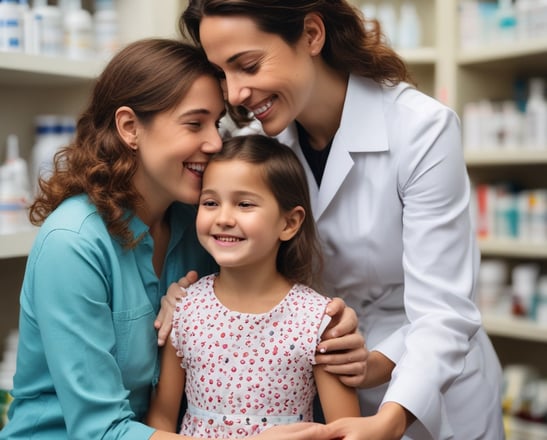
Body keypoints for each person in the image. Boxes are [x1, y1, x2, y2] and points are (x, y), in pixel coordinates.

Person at [0, 37, 363, 440]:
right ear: (129, 127)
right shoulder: (72, 244)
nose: (214, 143)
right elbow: (98, 431)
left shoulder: (200, 225)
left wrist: (328, 327)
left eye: (218, 124)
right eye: (195, 123)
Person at [179, 1, 506, 439]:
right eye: (223, 73)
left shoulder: (420, 129)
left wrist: (386, 411)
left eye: (249, 65)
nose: (235, 93)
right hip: (325, 387)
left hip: (433, 392)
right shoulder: (256, 147)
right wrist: (179, 302)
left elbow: (444, 313)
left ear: (312, 34)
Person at [146, 134, 362, 436]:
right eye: (210, 202)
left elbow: (347, 431)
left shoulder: (318, 320)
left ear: (289, 223)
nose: (223, 218)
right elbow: (162, 419)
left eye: (244, 204)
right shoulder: (184, 309)